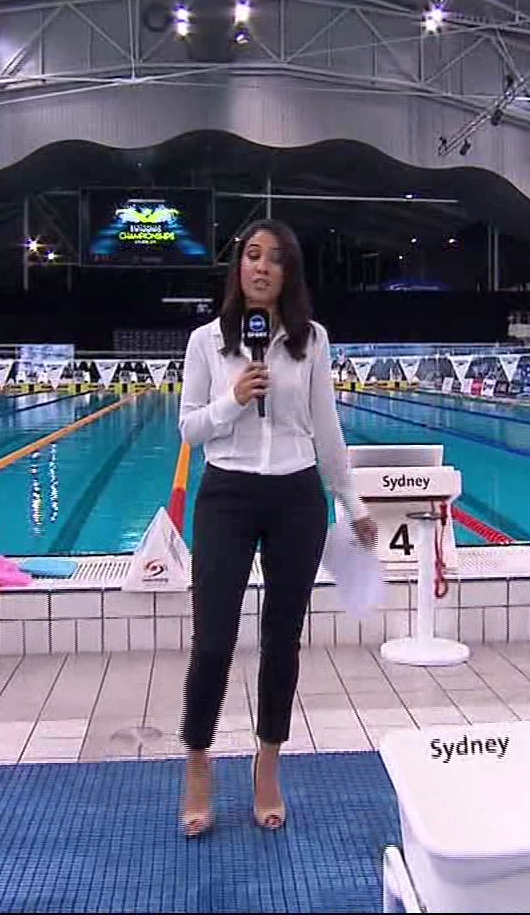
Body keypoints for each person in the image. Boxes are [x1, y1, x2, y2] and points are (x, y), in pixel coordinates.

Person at [175, 219, 376, 839]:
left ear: (289, 273)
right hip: (226, 495)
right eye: (252, 256)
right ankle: (199, 759)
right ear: (238, 268)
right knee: (213, 640)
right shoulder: (207, 341)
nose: (261, 267)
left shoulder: (311, 341)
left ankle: (268, 762)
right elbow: (189, 428)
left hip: (295, 496)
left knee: (281, 640)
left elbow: (326, 425)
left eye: (275, 258)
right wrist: (234, 398)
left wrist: (352, 501)